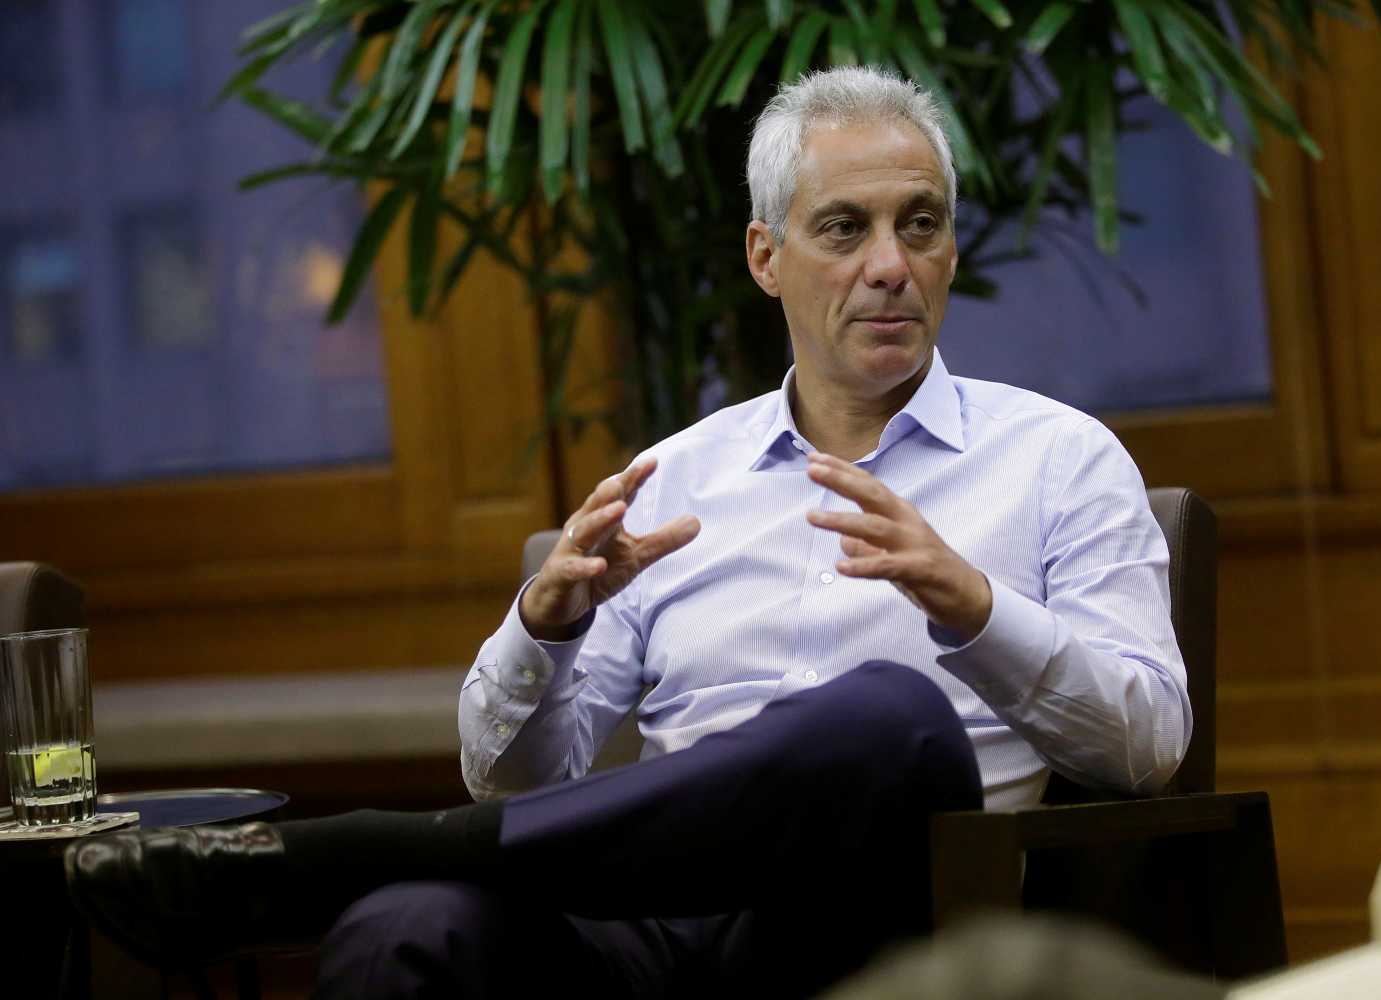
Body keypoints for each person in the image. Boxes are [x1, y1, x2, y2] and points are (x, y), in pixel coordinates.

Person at [64, 67, 1191, 999]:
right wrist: (541, 629)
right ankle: (376, 869)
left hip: (896, 925)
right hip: (653, 925)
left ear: (948, 250)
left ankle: (333, 852)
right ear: (765, 258)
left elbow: (1150, 743)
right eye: (844, 228)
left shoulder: (1059, 456)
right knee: (406, 927)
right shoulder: (669, 480)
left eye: (920, 225)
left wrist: (975, 608)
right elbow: (513, 777)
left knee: (882, 716)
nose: (888, 263)